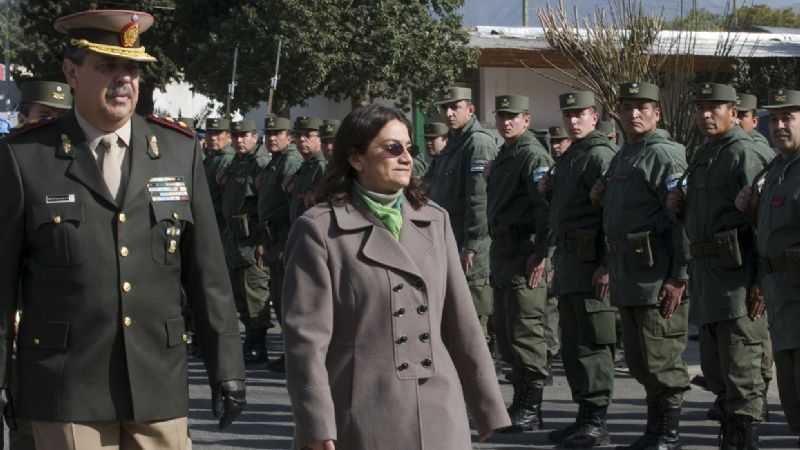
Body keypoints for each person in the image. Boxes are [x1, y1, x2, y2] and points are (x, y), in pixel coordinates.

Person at [0, 9, 245, 448]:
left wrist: (226, 367)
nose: (124, 80)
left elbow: (208, 273)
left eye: (131, 68)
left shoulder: (177, 151)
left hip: (158, 382)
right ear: (72, 72)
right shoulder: (26, 157)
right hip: (66, 384)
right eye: (108, 66)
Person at [282, 103, 510, 450]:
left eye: (409, 148)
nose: (405, 157)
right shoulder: (320, 230)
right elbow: (305, 341)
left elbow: (461, 321)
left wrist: (487, 405)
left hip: (438, 412)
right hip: (362, 414)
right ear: (356, 158)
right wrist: (315, 423)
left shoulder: (434, 220)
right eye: (392, 148)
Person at [668, 83, 769, 449]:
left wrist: (761, 279)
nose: (707, 115)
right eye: (701, 108)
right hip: (707, 275)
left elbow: (762, 222)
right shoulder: (704, 155)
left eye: (715, 108)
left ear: (734, 112)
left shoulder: (743, 153)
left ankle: (743, 440)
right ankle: (729, 431)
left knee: (742, 366)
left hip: (737, 276)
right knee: (715, 368)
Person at [593, 81, 690, 450]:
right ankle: (655, 430)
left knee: (661, 358)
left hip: (655, 276)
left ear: (657, 113)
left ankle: (668, 433)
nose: (633, 113)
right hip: (627, 274)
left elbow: (681, 220)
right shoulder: (625, 153)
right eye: (627, 107)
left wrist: (678, 277)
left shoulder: (665, 155)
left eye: (642, 107)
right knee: (638, 359)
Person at [541, 91, 617, 448]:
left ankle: (597, 421)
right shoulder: (572, 154)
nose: (573, 120)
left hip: (591, 266)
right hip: (570, 264)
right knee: (572, 346)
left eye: (580, 114)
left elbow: (612, 216)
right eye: (568, 114)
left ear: (595, 116)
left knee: (593, 342)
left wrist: (607, 264)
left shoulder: (600, 154)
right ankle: (583, 417)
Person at [736, 88, 800, 449]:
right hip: (781, 290)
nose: (778, 126)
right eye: (774, 119)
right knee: (790, 387)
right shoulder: (776, 168)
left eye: (788, 117)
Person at [486, 94, 553, 433]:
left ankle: (531, 406)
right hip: (503, 255)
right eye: (501, 116)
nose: (506, 122)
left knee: (527, 331)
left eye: (513, 116)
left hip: (524, 253)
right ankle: (520, 402)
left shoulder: (531, 154)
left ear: (526, 119)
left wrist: (542, 253)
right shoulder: (505, 154)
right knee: (507, 331)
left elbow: (544, 209)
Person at [427, 86, 497, 350]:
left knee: (471, 326)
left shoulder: (477, 142)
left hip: (467, 246)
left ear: (471, 109)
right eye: (444, 107)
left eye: (455, 107)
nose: (448, 113)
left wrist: (472, 244)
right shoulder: (453, 143)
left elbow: (478, 199)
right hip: (448, 241)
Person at [221, 119, 271, 365]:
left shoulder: (260, 163)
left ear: (255, 137)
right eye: (235, 136)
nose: (238, 140)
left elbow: (266, 203)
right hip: (235, 236)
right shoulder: (238, 162)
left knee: (255, 292)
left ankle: (258, 344)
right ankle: (249, 339)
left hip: (252, 237)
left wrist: (263, 239)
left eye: (244, 136)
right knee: (240, 293)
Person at [256, 115, 303, 373]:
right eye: (269, 133)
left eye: (278, 133)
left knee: (289, 299)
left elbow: (291, 207)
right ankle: (289, 351)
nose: (272, 138)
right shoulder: (276, 162)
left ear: (289, 137)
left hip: (284, 238)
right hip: (273, 239)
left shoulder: (290, 162)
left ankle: (294, 354)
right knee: (279, 297)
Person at [288, 116, 326, 222]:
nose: (301, 139)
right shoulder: (306, 165)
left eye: (307, 135)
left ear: (320, 138)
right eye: (298, 135)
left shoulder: (321, 166)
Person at [203, 117, 234, 236]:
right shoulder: (212, 157)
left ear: (229, 136)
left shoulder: (227, 159)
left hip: (219, 221)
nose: (213, 137)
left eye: (218, 133)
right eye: (209, 132)